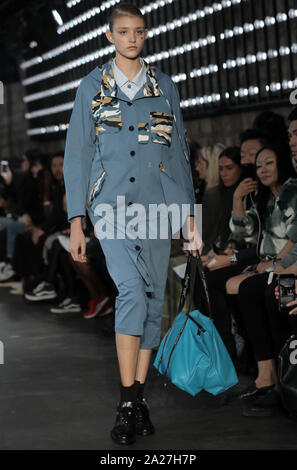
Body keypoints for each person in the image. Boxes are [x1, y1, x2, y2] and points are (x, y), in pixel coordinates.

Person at [63, 3, 202, 446]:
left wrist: (190, 219)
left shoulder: (165, 88)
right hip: (113, 208)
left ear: (146, 34)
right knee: (128, 293)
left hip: (159, 208)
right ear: (110, 36)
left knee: (148, 298)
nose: (132, 39)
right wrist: (77, 222)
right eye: (123, 31)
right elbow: (78, 156)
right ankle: (126, 402)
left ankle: (138, 400)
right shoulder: (92, 87)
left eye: (139, 31)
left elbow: (179, 156)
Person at [201, 146, 243, 256]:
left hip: (236, 257)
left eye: (229, 168)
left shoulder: (249, 195)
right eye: (220, 169)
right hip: (219, 252)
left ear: (240, 167)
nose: (224, 174)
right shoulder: (215, 193)